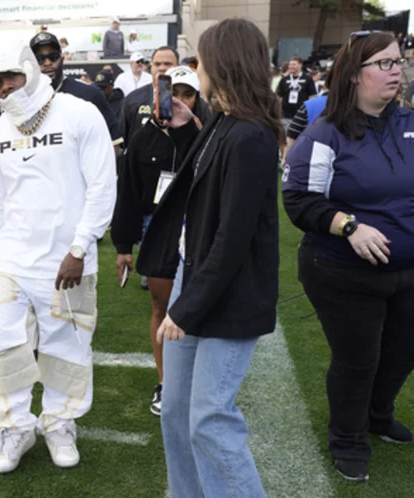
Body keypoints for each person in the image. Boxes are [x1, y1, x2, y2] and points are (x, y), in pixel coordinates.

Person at [136, 19, 282, 497]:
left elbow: (233, 237)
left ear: (224, 64)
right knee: (177, 413)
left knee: (210, 420)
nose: (196, 69)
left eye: (202, 60)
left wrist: (186, 306)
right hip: (195, 280)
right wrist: (185, 131)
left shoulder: (251, 135)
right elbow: (200, 184)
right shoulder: (222, 120)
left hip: (227, 295)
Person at [0, 41, 116, 475]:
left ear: (32, 70)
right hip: (12, 260)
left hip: (67, 260)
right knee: (2, 342)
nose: (7, 87)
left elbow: (102, 186)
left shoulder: (78, 112)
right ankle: (13, 427)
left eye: (13, 76)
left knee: (67, 345)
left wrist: (79, 247)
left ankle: (59, 423)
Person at [283, 31, 414, 483]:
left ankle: (378, 416)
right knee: (359, 359)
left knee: (402, 352)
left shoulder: (409, 124)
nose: (397, 70)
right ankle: (348, 438)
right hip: (341, 271)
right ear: (354, 75)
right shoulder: (325, 133)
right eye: (384, 64)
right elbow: (299, 199)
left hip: (407, 270)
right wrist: (348, 226)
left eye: (399, 61)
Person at [112, 65, 210, 416]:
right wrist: (124, 246)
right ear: (157, 95)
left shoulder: (206, 134)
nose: (180, 101)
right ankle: (166, 381)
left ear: (198, 99)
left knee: (199, 310)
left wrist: (187, 132)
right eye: (173, 94)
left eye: (188, 94)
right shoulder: (142, 137)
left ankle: (197, 383)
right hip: (160, 230)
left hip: (200, 231)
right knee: (162, 307)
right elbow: (129, 192)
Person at [30, 32, 123, 148]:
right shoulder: (24, 100)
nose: (47, 63)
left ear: (62, 59)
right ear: (31, 64)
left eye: (53, 57)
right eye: (40, 59)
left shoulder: (89, 94)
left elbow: (114, 144)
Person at [119, 46, 179, 148]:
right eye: (157, 64)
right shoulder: (132, 99)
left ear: (178, 66)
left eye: (168, 64)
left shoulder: (189, 98)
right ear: (151, 67)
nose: (162, 68)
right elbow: (123, 139)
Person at [276, 57, 317, 127]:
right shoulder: (284, 79)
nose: (291, 67)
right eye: (290, 65)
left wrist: (309, 111)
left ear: (300, 65)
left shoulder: (307, 79)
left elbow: (312, 96)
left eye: (294, 64)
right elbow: (279, 96)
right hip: (286, 114)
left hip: (301, 115)